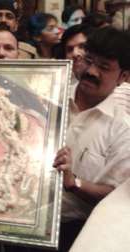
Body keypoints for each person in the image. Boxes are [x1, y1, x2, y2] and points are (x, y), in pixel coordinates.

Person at [53, 27, 130, 251]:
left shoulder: (122, 130)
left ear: (123, 77)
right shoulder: (49, 96)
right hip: (20, 219)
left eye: (104, 67)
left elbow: (116, 196)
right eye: (88, 60)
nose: (91, 71)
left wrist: (74, 183)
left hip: (74, 233)